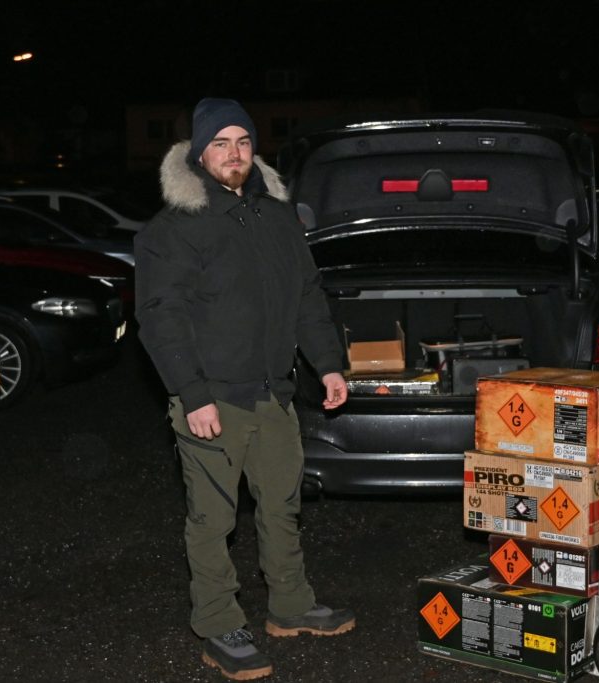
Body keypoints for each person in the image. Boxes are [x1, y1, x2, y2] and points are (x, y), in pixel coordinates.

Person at [135, 97, 354, 680]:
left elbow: (307, 296)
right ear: (200, 153)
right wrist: (192, 392)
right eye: (221, 144)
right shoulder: (173, 230)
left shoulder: (278, 217)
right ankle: (216, 623)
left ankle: (291, 605)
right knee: (213, 519)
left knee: (282, 505)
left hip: (272, 393)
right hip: (213, 397)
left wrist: (328, 364)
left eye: (243, 142)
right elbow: (161, 315)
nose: (234, 154)